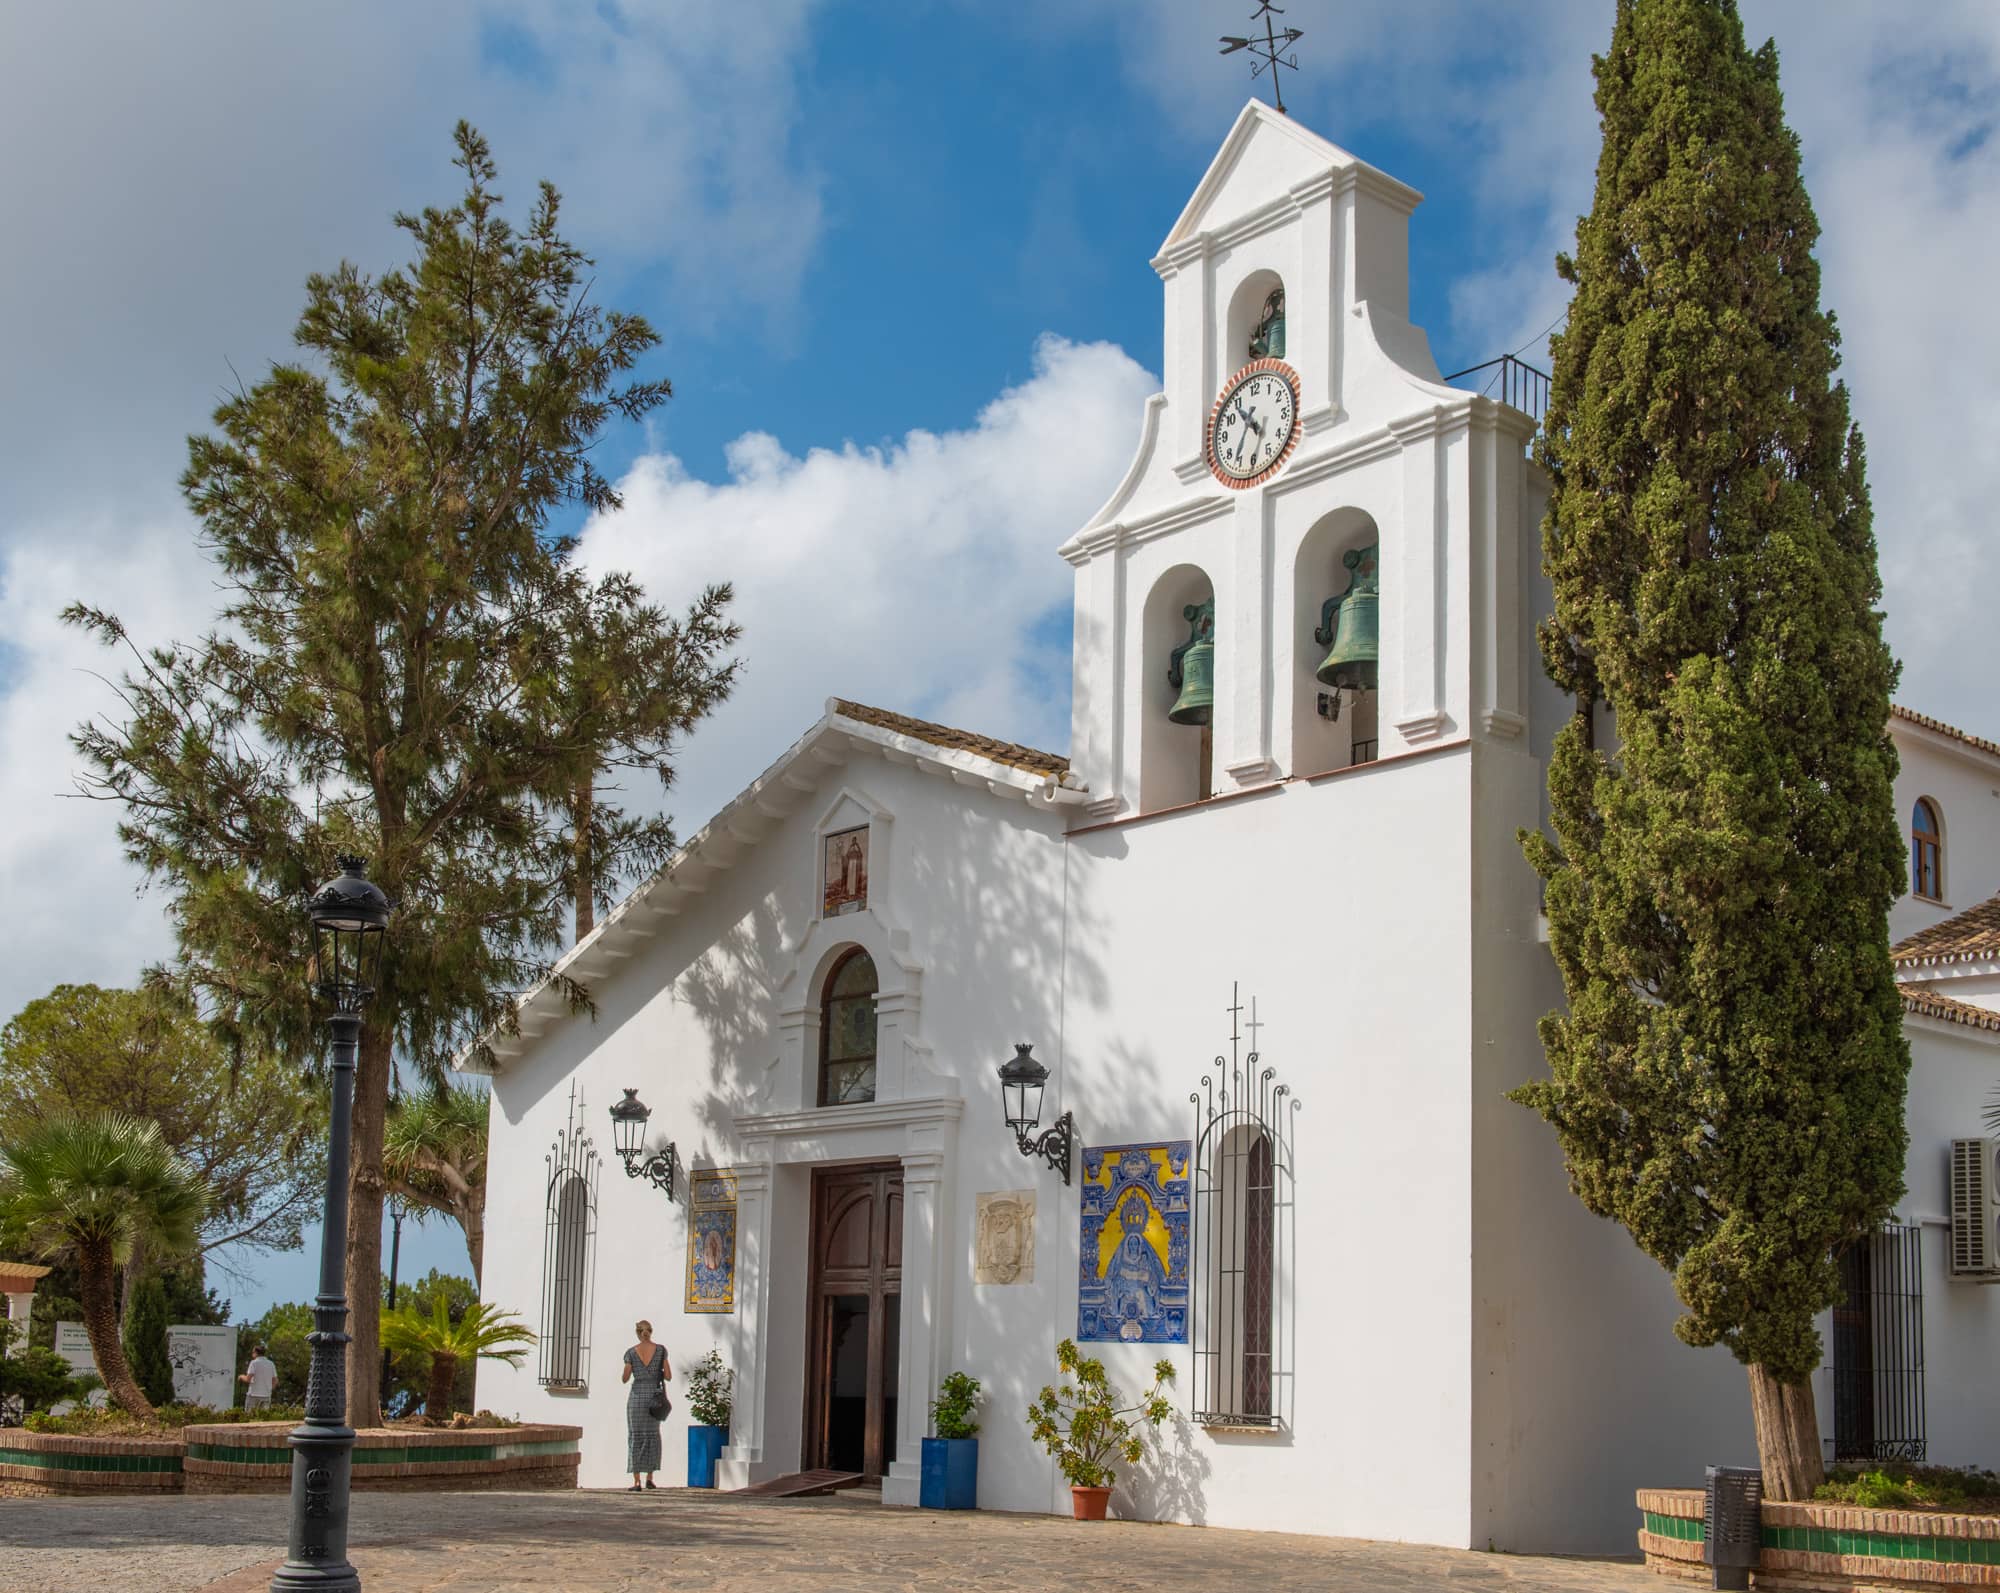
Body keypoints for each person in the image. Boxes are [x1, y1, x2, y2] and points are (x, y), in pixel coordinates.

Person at [620, 1319, 671, 1490]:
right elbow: (668, 1375)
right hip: (654, 1399)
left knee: (636, 1436)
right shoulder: (661, 1350)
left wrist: (634, 1370)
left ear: (638, 1333)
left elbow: (625, 1378)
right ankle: (650, 1477)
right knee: (652, 1435)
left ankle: (636, 1481)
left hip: (636, 1398)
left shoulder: (631, 1353)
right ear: (650, 1331)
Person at [239, 1343, 278, 1411]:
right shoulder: (271, 1364)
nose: (252, 1354)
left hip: (253, 1395)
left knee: (249, 1415)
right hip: (266, 1395)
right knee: (263, 1415)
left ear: (256, 1353)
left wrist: (241, 1377)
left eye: (253, 1352)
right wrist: (269, 1389)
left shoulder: (254, 1363)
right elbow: (275, 1380)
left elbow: (248, 1379)